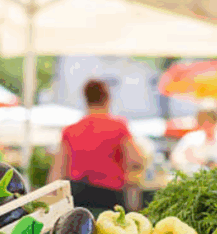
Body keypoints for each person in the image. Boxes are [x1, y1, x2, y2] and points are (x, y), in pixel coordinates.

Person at [48, 79, 145, 212]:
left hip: (78, 196)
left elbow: (57, 171)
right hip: (110, 197)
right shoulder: (118, 127)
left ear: (86, 99)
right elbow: (136, 160)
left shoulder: (70, 130)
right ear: (108, 99)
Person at [170, 107, 217, 174]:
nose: (207, 124)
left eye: (211, 120)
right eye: (203, 120)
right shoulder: (190, 139)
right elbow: (176, 160)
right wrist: (196, 162)